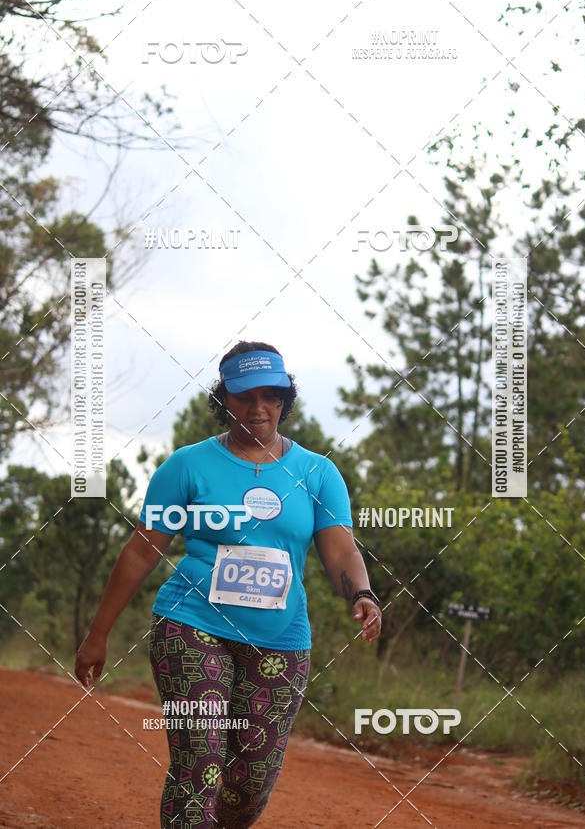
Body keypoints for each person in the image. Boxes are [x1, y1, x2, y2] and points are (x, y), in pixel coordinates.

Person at [75, 340, 382, 828]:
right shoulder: (187, 466)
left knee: (249, 783)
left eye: (271, 395)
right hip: (191, 625)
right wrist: (98, 634)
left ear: (285, 399)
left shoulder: (317, 473)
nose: (258, 408)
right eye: (244, 396)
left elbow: (340, 549)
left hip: (281, 640)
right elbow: (141, 550)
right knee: (199, 762)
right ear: (224, 401)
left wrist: (362, 592)